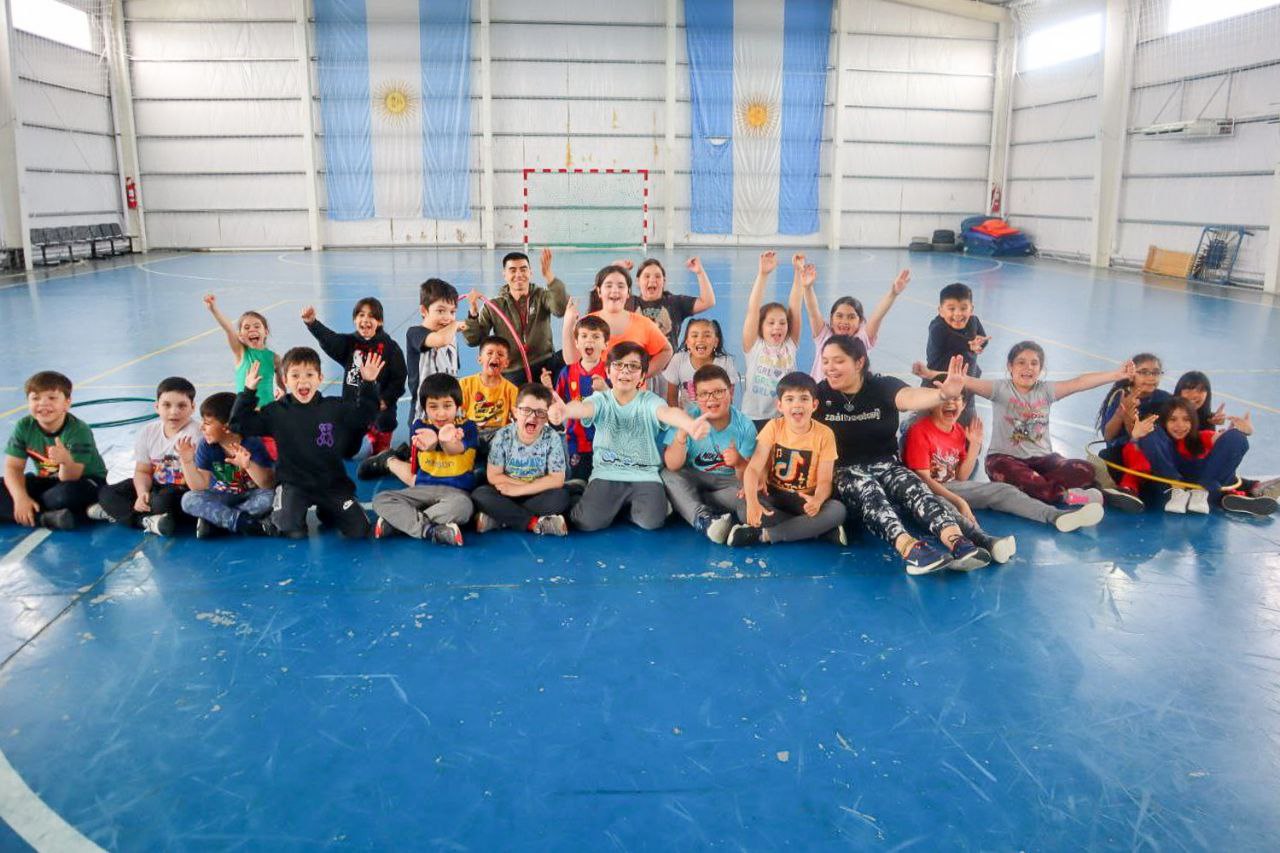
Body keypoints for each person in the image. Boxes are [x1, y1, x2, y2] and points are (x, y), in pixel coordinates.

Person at [820, 338, 999, 574]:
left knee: (916, 489)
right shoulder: (820, 395)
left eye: (838, 361)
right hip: (845, 471)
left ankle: (958, 542)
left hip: (886, 465)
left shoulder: (881, 386)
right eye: (825, 361)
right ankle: (911, 549)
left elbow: (910, 396)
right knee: (870, 493)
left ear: (859, 362)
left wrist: (943, 394)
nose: (830, 368)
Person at [918, 341, 1138, 511]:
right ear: (1010, 367)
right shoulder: (1000, 389)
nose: (1028, 368)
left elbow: (1079, 383)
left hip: (1044, 460)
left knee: (1084, 469)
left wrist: (1116, 375)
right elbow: (962, 380)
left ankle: (1047, 489)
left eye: (1034, 363)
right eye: (1021, 362)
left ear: (1041, 369)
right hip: (1004, 460)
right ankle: (1067, 496)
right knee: (1018, 478)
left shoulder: (1046, 391)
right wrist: (930, 374)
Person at [549, 342, 710, 531]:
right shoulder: (601, 400)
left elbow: (668, 413)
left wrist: (689, 424)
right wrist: (566, 411)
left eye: (633, 366)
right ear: (607, 371)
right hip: (607, 472)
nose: (625, 371)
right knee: (585, 522)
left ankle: (623, 508)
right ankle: (580, 492)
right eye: (618, 365)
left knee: (652, 522)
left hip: (644, 474)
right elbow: (583, 408)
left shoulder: (649, 401)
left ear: (642, 376)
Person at [230, 347, 383, 539]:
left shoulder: (334, 407)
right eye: (295, 375)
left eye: (309, 374)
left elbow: (365, 416)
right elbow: (238, 424)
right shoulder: (276, 412)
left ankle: (327, 511)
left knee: (359, 530)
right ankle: (284, 512)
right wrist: (248, 392)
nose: (302, 381)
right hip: (295, 484)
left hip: (332, 484)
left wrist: (368, 383)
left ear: (320, 378)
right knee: (290, 530)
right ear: (285, 380)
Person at [902, 390, 1104, 534]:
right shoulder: (919, 431)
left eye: (956, 399)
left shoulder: (959, 432)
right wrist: (959, 501)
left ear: (963, 405)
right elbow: (923, 480)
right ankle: (979, 540)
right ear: (932, 403)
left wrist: (974, 446)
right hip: (924, 491)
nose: (950, 403)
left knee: (1004, 491)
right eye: (944, 399)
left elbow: (961, 477)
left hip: (953, 487)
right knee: (948, 507)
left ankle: (1056, 516)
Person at [728, 372, 846, 548]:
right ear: (780, 406)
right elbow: (753, 469)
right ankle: (816, 530)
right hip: (774, 495)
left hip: (804, 499)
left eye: (804, 399)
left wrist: (817, 500)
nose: (797, 404)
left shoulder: (825, 434)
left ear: (814, 405)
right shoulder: (774, 427)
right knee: (744, 508)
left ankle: (765, 535)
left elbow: (825, 481)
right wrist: (753, 503)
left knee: (837, 510)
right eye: (789, 399)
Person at [372, 373, 477, 545]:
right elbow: (426, 445)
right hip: (422, 488)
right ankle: (430, 531)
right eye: (433, 407)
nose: (441, 413)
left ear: (458, 405)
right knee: (381, 499)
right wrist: (432, 443)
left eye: (447, 406)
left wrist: (444, 440)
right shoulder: (419, 426)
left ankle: (400, 523)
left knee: (464, 507)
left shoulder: (468, 427)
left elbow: (454, 449)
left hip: (456, 492)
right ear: (425, 408)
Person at [1126, 398, 1274, 516]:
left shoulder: (1201, 437)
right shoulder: (1160, 441)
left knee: (1237, 437)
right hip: (1169, 488)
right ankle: (1182, 490)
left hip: (1204, 488)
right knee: (1149, 433)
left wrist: (1243, 432)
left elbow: (1224, 441)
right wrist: (1136, 436)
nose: (1180, 425)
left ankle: (1214, 495)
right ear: (1165, 421)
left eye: (1186, 419)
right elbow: (1136, 457)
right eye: (1173, 419)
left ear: (1193, 421)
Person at [94, 376, 201, 536]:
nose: (174, 411)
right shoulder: (148, 432)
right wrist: (142, 493)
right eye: (166, 405)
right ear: (157, 407)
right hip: (156, 486)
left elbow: (201, 480)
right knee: (107, 493)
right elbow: (143, 471)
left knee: (162, 502)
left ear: (192, 407)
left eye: (181, 405)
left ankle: (123, 514)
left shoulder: (197, 434)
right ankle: (146, 521)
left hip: (182, 490)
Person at [301, 297, 407, 457]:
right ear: (355, 320)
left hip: (379, 406)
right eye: (361, 315)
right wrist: (312, 323)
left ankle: (379, 438)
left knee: (385, 419)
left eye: (371, 316)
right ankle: (355, 435)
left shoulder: (390, 348)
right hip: (354, 406)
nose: (365, 319)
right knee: (346, 451)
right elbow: (330, 339)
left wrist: (386, 400)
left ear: (380, 322)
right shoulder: (350, 343)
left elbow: (399, 379)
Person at [2, 371, 106, 530]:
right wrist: (20, 498)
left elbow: (70, 477)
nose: (43, 404)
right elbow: (13, 467)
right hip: (48, 481)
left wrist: (66, 461)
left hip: (83, 482)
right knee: (13, 488)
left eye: (52, 398)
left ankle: (40, 512)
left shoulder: (78, 430)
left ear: (67, 403)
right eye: (35, 398)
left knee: (63, 496)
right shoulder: (24, 426)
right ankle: (45, 518)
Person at [661, 364, 754, 543]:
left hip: (728, 483)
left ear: (730, 392)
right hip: (695, 476)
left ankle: (687, 502)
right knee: (667, 475)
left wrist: (739, 462)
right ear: (696, 398)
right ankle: (704, 520)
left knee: (746, 496)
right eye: (704, 394)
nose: (711, 399)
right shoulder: (687, 418)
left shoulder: (745, 425)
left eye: (718, 392)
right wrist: (682, 433)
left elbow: (746, 477)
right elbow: (672, 465)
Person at [472, 383, 571, 536]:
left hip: (537, 494)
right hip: (507, 493)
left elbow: (557, 479)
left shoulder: (552, 437)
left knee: (561, 497)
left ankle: (500, 518)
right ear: (515, 412)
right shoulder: (503, 435)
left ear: (546, 417)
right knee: (480, 494)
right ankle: (534, 523)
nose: (532, 417)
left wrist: (521, 489)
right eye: (526, 410)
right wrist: (516, 488)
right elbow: (493, 476)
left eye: (540, 412)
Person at [177, 392, 276, 538]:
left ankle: (218, 521)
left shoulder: (253, 442)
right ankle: (244, 522)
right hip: (222, 497)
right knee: (188, 499)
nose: (201, 427)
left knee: (271, 497)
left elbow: (267, 484)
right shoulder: (206, 445)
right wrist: (187, 462)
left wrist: (248, 465)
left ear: (227, 427)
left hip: (250, 496)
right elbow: (199, 487)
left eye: (207, 423)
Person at [463, 249, 569, 384]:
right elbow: (473, 340)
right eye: (512, 270)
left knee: (567, 357)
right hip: (513, 370)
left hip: (544, 363)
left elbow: (560, 309)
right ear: (504, 275)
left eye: (523, 269)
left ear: (530, 272)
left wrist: (549, 276)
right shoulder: (494, 305)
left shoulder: (541, 296)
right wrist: (473, 312)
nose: (518, 274)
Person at [798, 255, 908, 380]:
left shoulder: (862, 338)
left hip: (853, 392)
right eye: (839, 316)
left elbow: (878, 316)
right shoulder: (824, 335)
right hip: (822, 391)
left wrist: (893, 293)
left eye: (851, 317)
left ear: (860, 321)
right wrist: (807, 288)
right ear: (831, 319)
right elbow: (813, 311)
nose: (844, 321)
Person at [565, 265, 673, 379]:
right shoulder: (586, 323)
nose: (615, 290)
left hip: (632, 391)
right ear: (599, 291)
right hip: (593, 390)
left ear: (628, 292)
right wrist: (568, 323)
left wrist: (641, 375)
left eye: (621, 286)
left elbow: (666, 351)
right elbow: (572, 362)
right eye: (609, 285)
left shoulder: (644, 324)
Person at [545, 310, 611, 482]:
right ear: (576, 342)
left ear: (605, 344)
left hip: (606, 442)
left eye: (596, 337)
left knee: (602, 482)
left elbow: (621, 405)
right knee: (578, 482)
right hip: (576, 441)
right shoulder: (567, 372)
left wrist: (605, 390)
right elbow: (557, 403)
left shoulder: (611, 372)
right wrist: (549, 392)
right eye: (584, 336)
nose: (589, 340)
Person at [741, 250, 803, 428]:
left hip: (785, 416)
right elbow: (753, 309)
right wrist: (763, 275)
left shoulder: (790, 344)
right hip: (755, 417)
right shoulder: (754, 346)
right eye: (771, 323)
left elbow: (795, 306)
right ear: (760, 326)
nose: (777, 327)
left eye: (782, 323)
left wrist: (798, 272)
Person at [203, 293, 279, 408]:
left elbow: (282, 378)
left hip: (269, 410)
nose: (252, 329)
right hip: (245, 411)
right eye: (246, 327)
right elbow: (229, 329)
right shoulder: (241, 353)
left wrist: (281, 389)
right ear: (240, 336)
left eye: (257, 326)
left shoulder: (274, 357)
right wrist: (213, 309)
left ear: (266, 332)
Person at [406, 278, 464, 423]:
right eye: (440, 311)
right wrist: (455, 325)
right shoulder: (415, 333)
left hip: (449, 413)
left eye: (452, 312)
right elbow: (439, 340)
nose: (448, 317)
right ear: (424, 310)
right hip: (423, 415)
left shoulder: (451, 337)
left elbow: (453, 373)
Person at [630, 256, 717, 351]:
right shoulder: (629, 303)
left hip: (669, 360)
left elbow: (708, 301)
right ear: (638, 281)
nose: (652, 280)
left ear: (664, 281)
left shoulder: (675, 302)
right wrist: (619, 270)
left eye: (658, 276)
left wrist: (699, 272)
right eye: (647, 276)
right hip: (636, 359)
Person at [662, 317, 738, 409]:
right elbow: (671, 399)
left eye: (707, 336)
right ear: (687, 342)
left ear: (716, 342)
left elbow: (728, 401)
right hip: (685, 417)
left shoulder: (725, 362)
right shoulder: (678, 360)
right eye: (695, 336)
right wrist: (679, 417)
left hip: (716, 415)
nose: (700, 339)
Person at [460, 336, 519, 435]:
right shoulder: (465, 384)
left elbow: (518, 418)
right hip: (471, 432)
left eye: (500, 354)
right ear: (479, 359)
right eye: (489, 353)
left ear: (506, 363)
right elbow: (457, 415)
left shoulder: (511, 390)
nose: (495, 357)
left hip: (499, 434)